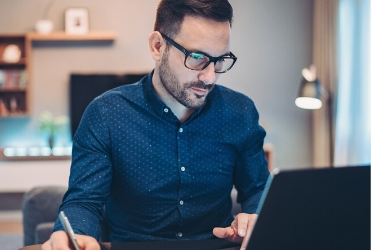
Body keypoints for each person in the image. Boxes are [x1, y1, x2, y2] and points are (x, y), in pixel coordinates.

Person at [42, 0, 269, 249]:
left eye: (219, 60)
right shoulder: (106, 114)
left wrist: (255, 218)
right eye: (196, 58)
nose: (209, 76)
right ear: (158, 46)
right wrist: (74, 235)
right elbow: (84, 201)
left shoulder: (240, 112)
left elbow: (258, 189)